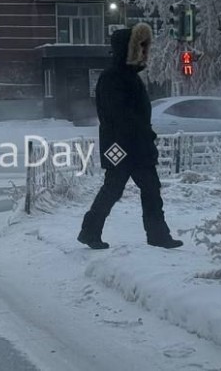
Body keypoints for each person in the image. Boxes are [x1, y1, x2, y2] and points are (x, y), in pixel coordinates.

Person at [78, 22, 183, 250]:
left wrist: (143, 138)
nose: (144, 53)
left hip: (130, 145)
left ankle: (156, 234)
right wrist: (143, 137)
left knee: (146, 189)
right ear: (128, 49)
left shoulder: (126, 76)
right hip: (121, 145)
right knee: (116, 188)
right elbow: (119, 116)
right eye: (139, 48)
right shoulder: (114, 77)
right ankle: (92, 231)